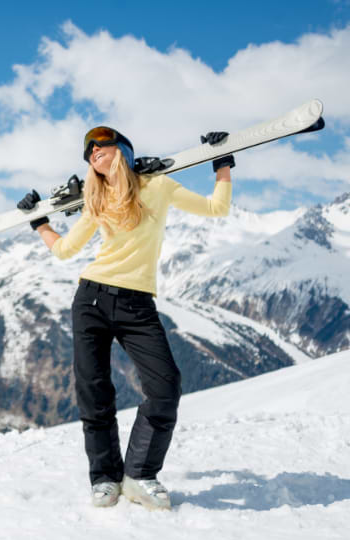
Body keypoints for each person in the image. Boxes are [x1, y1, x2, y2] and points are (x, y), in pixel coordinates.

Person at [17, 126, 233, 510]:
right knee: (95, 394)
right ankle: (104, 478)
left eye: (101, 146)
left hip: (138, 305)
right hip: (91, 301)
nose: (94, 153)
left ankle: (139, 474)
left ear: (123, 150)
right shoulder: (96, 200)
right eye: (89, 154)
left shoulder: (158, 186)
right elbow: (66, 250)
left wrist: (222, 162)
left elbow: (217, 208)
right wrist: (41, 224)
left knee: (166, 388)